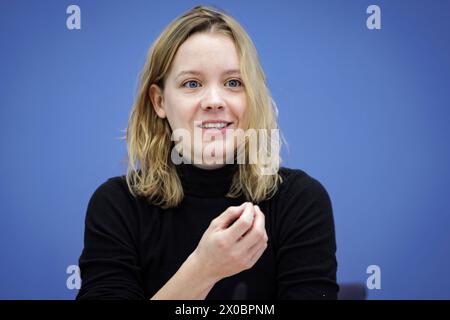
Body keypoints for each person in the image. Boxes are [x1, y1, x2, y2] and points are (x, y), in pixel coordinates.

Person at [76, 5, 338, 300]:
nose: (214, 100)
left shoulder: (299, 201)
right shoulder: (117, 206)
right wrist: (204, 270)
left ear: (252, 97)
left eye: (233, 83)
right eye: (192, 83)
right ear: (159, 101)